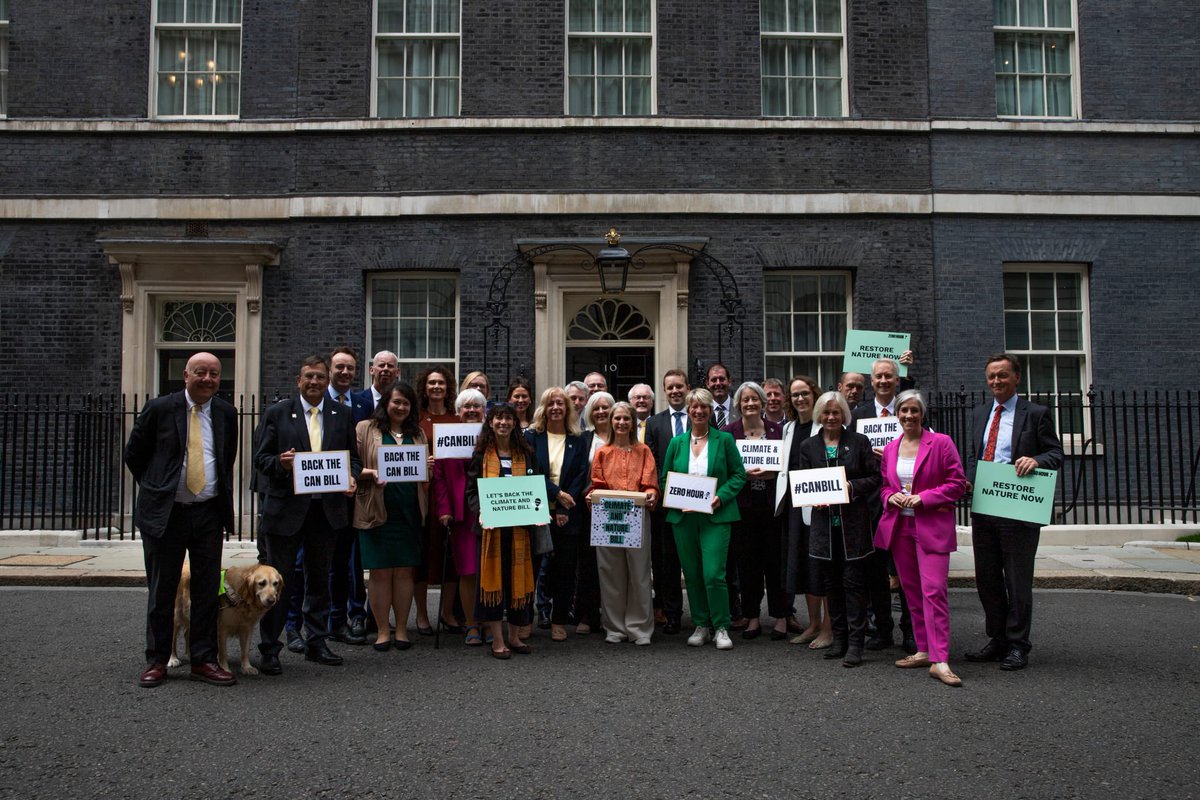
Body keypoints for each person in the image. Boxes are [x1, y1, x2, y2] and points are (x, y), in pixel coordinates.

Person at [125, 352, 239, 688]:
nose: (208, 379)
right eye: (201, 372)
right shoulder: (160, 408)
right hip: (167, 514)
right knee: (163, 589)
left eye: (215, 374)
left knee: (207, 589)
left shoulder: (226, 412)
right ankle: (158, 660)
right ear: (186, 375)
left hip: (207, 512)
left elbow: (225, 457)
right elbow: (135, 454)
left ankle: (202, 659)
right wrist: (158, 487)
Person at [254, 355, 361, 674]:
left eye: (319, 377)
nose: (314, 382)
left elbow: (352, 458)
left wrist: (352, 477)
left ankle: (316, 642)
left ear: (327, 381)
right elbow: (261, 459)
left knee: (319, 580)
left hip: (325, 512)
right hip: (286, 511)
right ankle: (270, 649)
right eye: (308, 377)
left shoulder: (341, 414)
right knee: (277, 583)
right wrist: (281, 463)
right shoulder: (277, 413)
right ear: (298, 381)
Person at [964, 353, 1063, 671]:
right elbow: (975, 454)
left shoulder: (1036, 413)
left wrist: (1036, 460)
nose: (996, 381)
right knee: (987, 578)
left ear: (1016, 378)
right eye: (992, 376)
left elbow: (1055, 452)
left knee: (1017, 580)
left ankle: (1019, 644)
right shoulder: (980, 412)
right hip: (984, 505)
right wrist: (969, 479)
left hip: (1017, 506)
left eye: (1003, 375)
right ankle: (998, 639)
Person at [876, 390, 969, 686]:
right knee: (912, 594)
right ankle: (924, 649)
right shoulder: (891, 448)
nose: (908, 416)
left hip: (931, 526)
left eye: (914, 410)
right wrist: (891, 498)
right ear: (897, 414)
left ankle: (940, 660)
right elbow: (884, 487)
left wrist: (923, 498)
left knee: (934, 592)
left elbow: (957, 484)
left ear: (922, 413)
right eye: (903, 410)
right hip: (900, 528)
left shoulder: (941, 443)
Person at [796, 391, 880, 667]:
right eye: (826, 413)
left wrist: (852, 487)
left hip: (852, 527)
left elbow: (875, 477)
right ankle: (840, 639)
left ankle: (856, 644)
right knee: (831, 586)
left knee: (854, 585)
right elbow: (804, 482)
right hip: (824, 528)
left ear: (844, 414)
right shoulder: (808, 446)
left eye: (836, 412)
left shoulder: (859, 442)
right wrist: (811, 497)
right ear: (819, 415)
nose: (831, 417)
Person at [660, 388, 747, 650]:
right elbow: (665, 479)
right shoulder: (677, 443)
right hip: (684, 519)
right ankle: (701, 625)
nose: (699, 411)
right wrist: (676, 499)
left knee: (713, 574)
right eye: (694, 407)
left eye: (704, 407)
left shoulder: (725, 440)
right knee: (694, 574)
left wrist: (720, 496)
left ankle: (721, 626)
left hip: (716, 516)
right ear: (688, 410)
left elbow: (738, 475)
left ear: (711, 411)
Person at [353, 381, 428, 651]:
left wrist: (427, 466)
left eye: (406, 403)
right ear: (386, 403)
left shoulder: (418, 433)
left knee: (406, 572)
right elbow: (352, 465)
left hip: (408, 510)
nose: (401, 407)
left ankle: (401, 630)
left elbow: (423, 471)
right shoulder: (365, 429)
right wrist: (369, 474)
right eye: (396, 402)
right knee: (381, 573)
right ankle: (383, 630)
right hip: (376, 509)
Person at [850, 357, 916, 653]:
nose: (883, 381)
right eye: (878, 377)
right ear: (872, 381)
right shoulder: (859, 413)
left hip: (905, 499)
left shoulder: (908, 411)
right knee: (875, 571)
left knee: (905, 571)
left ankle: (911, 630)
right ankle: (882, 629)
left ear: (897, 379)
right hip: (871, 502)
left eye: (889, 376)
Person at [466, 404, 542, 659]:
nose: (504, 422)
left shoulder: (526, 452)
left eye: (508, 418)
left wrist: (538, 511)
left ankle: (514, 636)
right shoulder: (481, 454)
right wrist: (480, 511)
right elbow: (472, 491)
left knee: (518, 581)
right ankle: (497, 640)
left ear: (514, 423)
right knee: (494, 581)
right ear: (491, 422)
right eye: (499, 417)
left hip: (521, 528)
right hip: (491, 530)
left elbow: (536, 485)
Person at [722, 381, 792, 640]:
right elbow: (725, 471)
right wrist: (743, 477)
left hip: (772, 507)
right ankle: (752, 617)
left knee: (776, 564)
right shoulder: (729, 433)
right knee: (747, 564)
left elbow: (787, 468)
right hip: (744, 508)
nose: (750, 404)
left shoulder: (778, 431)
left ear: (762, 403)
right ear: (738, 404)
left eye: (754, 399)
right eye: (745, 400)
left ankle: (781, 616)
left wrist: (774, 473)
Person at [587, 401, 658, 645]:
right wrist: (591, 496)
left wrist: (651, 493)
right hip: (608, 518)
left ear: (632, 422)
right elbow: (597, 484)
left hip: (637, 516)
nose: (621, 423)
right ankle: (615, 627)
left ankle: (640, 628)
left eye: (626, 419)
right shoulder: (602, 453)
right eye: (617, 418)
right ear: (610, 421)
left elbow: (650, 483)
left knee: (639, 573)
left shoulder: (644, 451)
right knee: (610, 573)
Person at [525, 386, 589, 642]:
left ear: (568, 408)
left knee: (563, 570)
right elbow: (529, 472)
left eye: (560, 403)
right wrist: (555, 493)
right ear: (544, 407)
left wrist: (564, 507)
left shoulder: (578, 439)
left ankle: (559, 620)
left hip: (567, 514)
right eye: (551, 403)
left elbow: (580, 474)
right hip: (535, 510)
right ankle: (524, 620)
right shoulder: (532, 437)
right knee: (530, 568)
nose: (555, 408)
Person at [775, 374, 832, 649]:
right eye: (795, 394)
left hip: (818, 503)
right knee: (804, 566)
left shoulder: (825, 426)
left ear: (815, 395)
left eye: (804, 393)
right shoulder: (788, 428)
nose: (800, 399)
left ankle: (830, 629)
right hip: (793, 506)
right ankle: (813, 623)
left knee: (821, 565)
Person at [431, 388, 488, 645]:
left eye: (477, 406)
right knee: (467, 570)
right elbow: (440, 477)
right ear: (458, 411)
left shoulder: (492, 435)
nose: (472, 410)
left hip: (492, 509)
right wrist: (443, 509)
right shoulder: (447, 436)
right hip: (461, 514)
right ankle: (471, 624)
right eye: (467, 406)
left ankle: (490, 620)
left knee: (490, 568)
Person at [413, 365, 461, 636]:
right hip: (423, 494)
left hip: (450, 496)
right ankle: (421, 615)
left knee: (450, 554)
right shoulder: (416, 418)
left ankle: (447, 612)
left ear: (448, 387)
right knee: (422, 555)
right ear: (424, 387)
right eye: (431, 383)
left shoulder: (457, 419)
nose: (436, 387)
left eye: (441, 383)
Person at [325, 346, 367, 647]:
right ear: (330, 368)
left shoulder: (363, 403)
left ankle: (350, 617)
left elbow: (357, 450)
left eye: (350, 368)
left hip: (353, 493)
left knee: (347, 562)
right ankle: (319, 619)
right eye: (339, 367)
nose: (345, 372)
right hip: (314, 496)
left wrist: (353, 474)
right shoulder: (313, 402)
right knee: (315, 563)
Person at [643, 369, 689, 633]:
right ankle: (672, 614)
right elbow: (653, 462)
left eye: (679, 386)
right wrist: (666, 492)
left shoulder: (699, 418)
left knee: (694, 561)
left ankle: (701, 614)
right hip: (665, 505)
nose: (675, 391)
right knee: (666, 562)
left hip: (696, 502)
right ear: (664, 390)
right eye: (670, 387)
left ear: (687, 387)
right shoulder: (654, 423)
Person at [575, 390, 615, 634]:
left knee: (614, 564)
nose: (601, 412)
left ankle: (613, 615)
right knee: (588, 564)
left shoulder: (623, 434)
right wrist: (585, 492)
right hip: (589, 508)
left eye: (606, 407)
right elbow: (579, 471)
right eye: (597, 408)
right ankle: (588, 615)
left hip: (618, 508)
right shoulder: (584, 439)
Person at [353, 350, 399, 423]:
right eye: (381, 365)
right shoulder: (356, 400)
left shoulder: (401, 403)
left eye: (390, 366)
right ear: (371, 370)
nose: (386, 369)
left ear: (397, 372)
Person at [706, 362, 733, 430]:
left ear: (729, 381)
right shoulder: (702, 410)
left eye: (722, 379)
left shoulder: (740, 408)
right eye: (714, 380)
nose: (718, 383)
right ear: (707, 384)